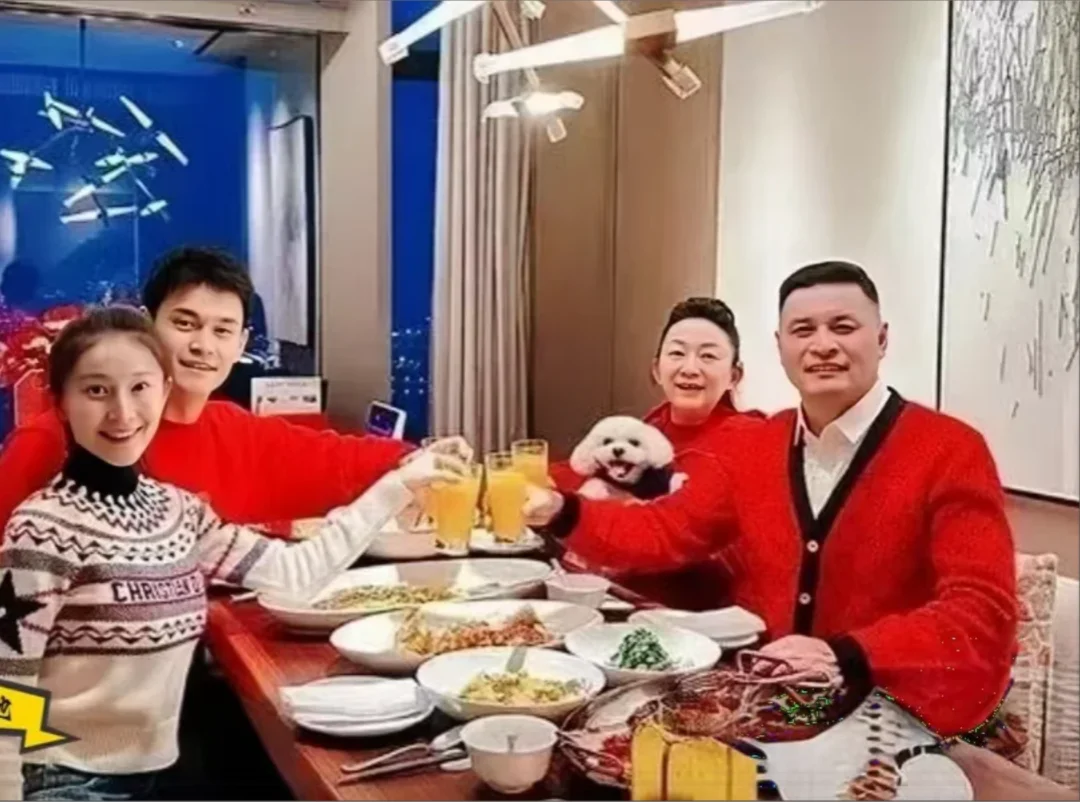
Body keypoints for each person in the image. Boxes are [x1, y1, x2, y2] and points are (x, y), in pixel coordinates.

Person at [527, 261, 1018, 737]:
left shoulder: (950, 449)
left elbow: (982, 613)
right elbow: (667, 530)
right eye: (803, 330)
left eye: (843, 327)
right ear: (780, 347)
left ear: (882, 338)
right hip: (772, 705)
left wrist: (848, 653)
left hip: (896, 711)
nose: (822, 345)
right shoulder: (760, 446)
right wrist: (564, 511)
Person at [0, 306, 464, 801]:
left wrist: (397, 486)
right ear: (62, 403)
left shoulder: (177, 512)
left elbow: (294, 574)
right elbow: (6, 682)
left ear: (164, 391)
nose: (123, 411)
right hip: (70, 779)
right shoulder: (42, 529)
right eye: (96, 390)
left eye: (140, 387)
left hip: (165, 774)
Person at [0, 247, 411, 534]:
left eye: (222, 330)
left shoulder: (237, 430)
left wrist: (426, 459)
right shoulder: (54, 439)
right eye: (185, 324)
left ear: (242, 343)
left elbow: (343, 459)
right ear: (146, 325)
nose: (203, 345)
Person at [551, 297, 764, 610]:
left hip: (701, 610)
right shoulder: (653, 426)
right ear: (656, 369)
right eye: (677, 353)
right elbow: (587, 470)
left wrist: (563, 511)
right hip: (630, 595)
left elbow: (674, 530)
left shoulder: (748, 438)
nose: (689, 368)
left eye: (708, 356)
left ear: (734, 375)